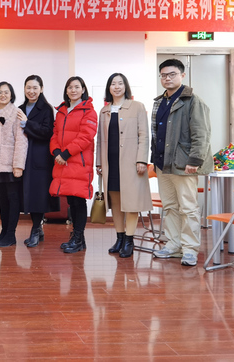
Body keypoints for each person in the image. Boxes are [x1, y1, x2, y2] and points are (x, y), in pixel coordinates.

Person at [151, 59, 213, 266]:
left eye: (172, 74)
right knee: (170, 206)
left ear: (182, 75)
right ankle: (173, 245)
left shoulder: (193, 101)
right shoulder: (160, 101)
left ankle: (190, 249)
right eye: (164, 75)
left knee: (188, 208)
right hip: (163, 164)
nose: (167, 78)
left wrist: (194, 160)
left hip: (184, 164)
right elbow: (156, 134)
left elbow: (201, 134)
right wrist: (154, 158)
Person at [96, 73, 152, 258]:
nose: (117, 87)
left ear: (125, 86)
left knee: (131, 202)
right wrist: (99, 162)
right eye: (113, 84)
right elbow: (100, 140)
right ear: (109, 88)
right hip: (110, 163)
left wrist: (141, 160)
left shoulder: (137, 107)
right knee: (116, 202)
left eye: (120, 83)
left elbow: (144, 135)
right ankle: (119, 238)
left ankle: (129, 240)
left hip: (131, 163)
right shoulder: (104, 111)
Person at [50, 76, 97, 254]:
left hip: (78, 161)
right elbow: (55, 134)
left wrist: (66, 153)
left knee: (78, 200)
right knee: (70, 200)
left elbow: (86, 136)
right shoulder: (61, 111)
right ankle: (79, 239)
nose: (73, 90)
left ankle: (78, 237)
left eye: (77, 87)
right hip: (63, 161)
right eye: (70, 87)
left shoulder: (89, 111)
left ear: (83, 89)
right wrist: (56, 152)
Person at [17, 75, 59, 247]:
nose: (31, 91)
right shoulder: (20, 108)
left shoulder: (46, 109)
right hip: (24, 157)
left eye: (35, 88)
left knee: (38, 195)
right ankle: (38, 229)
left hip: (40, 158)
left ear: (41, 89)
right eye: (28, 87)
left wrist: (27, 123)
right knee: (27, 195)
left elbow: (47, 132)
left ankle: (35, 229)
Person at [0, 82, 28, 247]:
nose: (3, 95)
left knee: (13, 198)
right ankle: (4, 231)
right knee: (2, 199)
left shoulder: (17, 113)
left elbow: (22, 141)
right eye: (0, 92)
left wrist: (18, 165)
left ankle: (11, 234)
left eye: (6, 92)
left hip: (11, 164)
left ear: (11, 95)